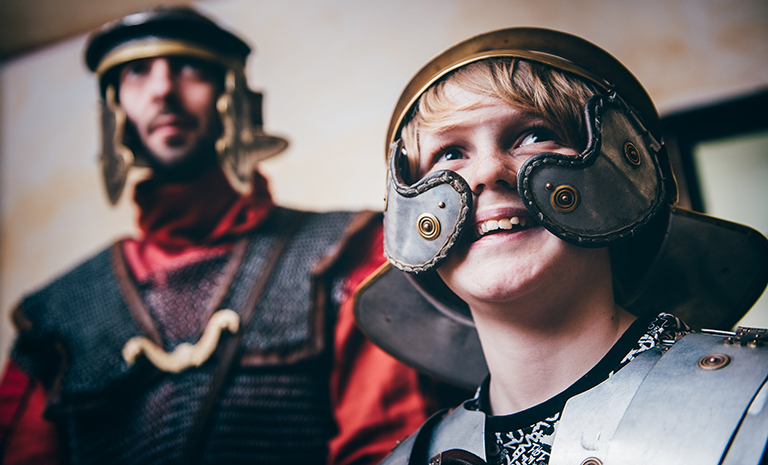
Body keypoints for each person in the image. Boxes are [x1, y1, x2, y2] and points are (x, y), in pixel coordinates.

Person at [0, 7, 464, 465]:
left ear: (232, 94)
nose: (163, 90)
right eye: (137, 71)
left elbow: (385, 443)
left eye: (189, 67)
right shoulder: (58, 316)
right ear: (115, 105)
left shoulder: (346, 249)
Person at [354, 28, 768, 464]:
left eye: (533, 136)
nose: (487, 172)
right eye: (449, 153)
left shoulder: (753, 403)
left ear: (618, 177)